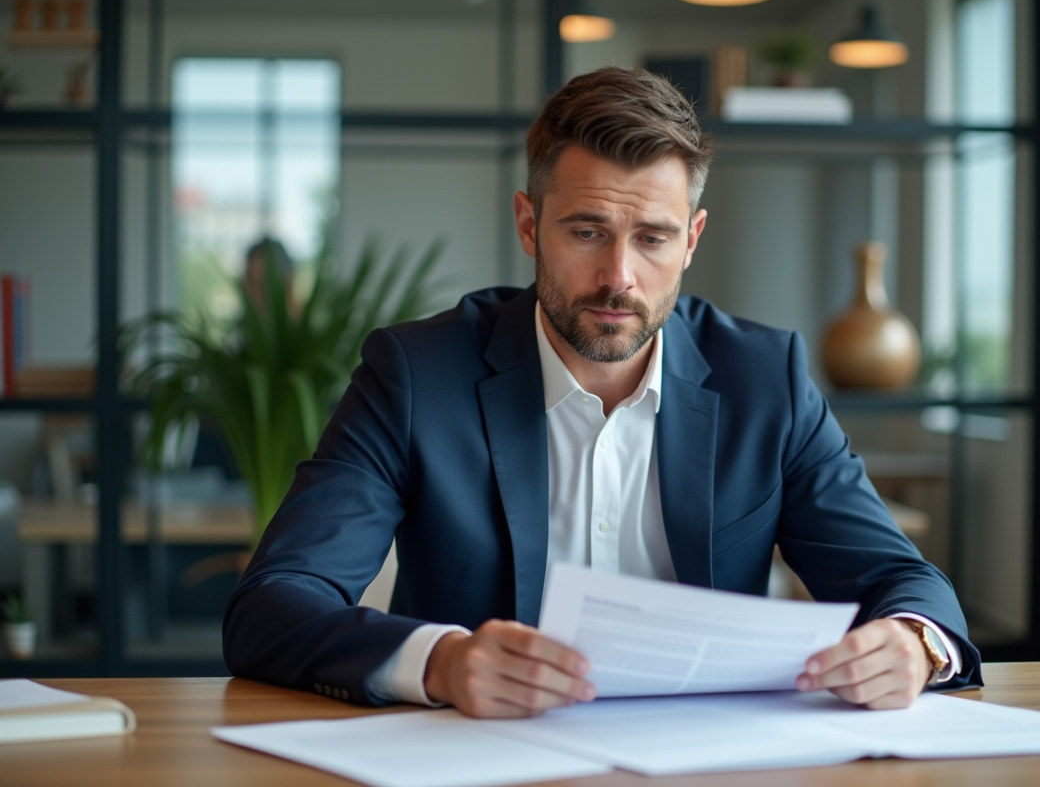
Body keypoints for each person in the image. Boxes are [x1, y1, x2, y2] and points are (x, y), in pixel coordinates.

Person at [224, 66, 981, 718]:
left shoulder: (765, 379)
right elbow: (273, 603)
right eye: (587, 232)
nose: (619, 276)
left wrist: (913, 644)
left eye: (652, 238)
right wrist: (441, 661)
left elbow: (902, 579)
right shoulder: (417, 375)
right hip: (480, 759)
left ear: (691, 239)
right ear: (529, 224)